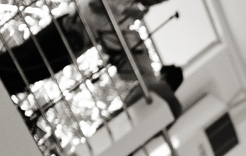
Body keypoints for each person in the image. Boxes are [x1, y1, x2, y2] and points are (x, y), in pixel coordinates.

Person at [0, 0, 184, 118]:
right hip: (67, 29)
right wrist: (126, 10)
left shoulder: (132, 13)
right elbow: (95, 5)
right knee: (23, 57)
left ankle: (8, 87)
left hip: (76, 46)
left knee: (36, 72)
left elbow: (111, 38)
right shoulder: (127, 8)